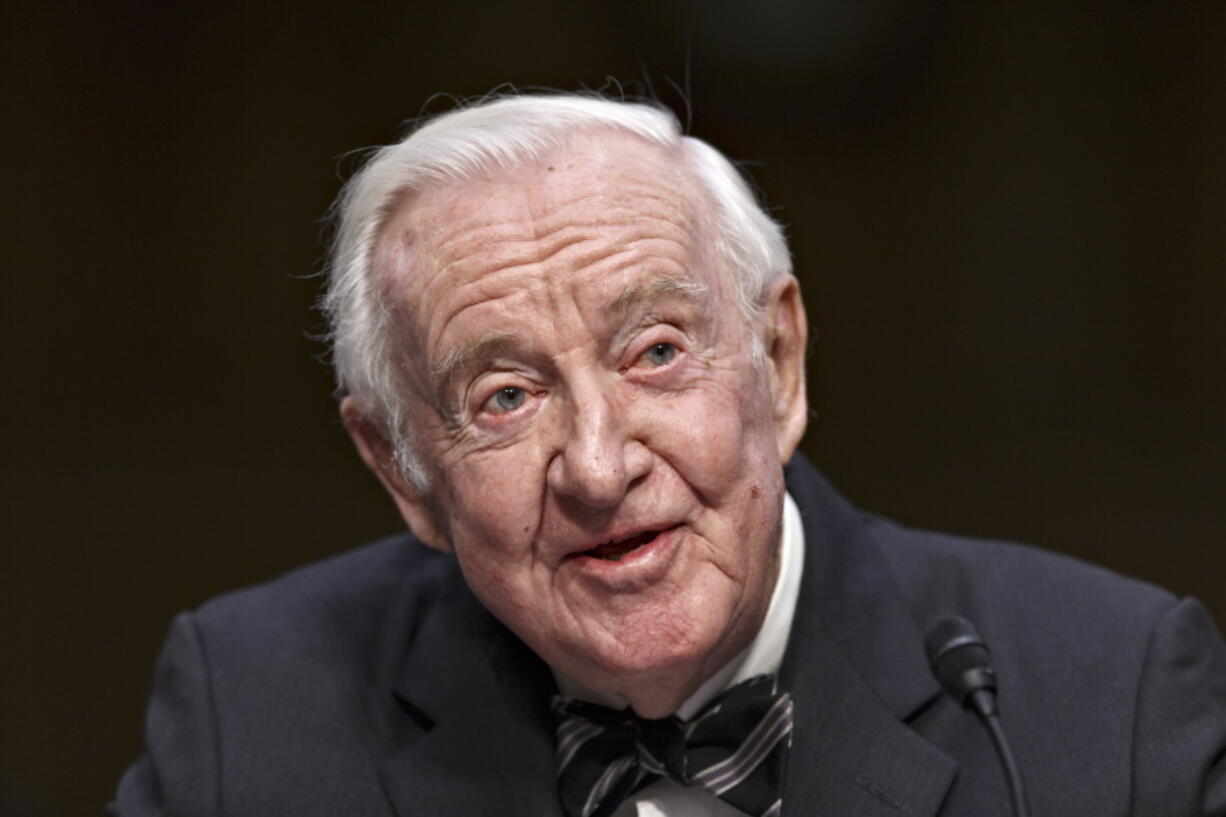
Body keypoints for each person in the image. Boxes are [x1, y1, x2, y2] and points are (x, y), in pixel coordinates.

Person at [112, 94, 1226, 817]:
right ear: (401, 469)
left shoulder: (1108, 702)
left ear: (778, 363)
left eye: (652, 352)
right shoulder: (248, 717)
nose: (598, 465)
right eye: (504, 397)